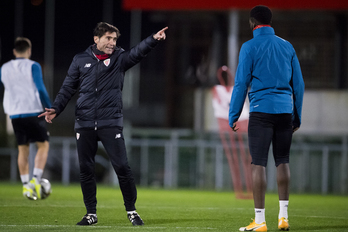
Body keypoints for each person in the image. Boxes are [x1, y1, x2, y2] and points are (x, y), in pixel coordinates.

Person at [39, 22, 168, 226]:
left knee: (122, 167)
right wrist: (56, 108)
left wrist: (152, 40)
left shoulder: (119, 58)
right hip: (85, 123)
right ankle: (91, 214)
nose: (112, 42)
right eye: (108, 38)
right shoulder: (80, 60)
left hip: (110, 122)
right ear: (96, 39)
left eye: (115, 39)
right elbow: (67, 88)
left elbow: (137, 53)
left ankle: (132, 211)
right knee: (86, 169)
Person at [228, 6, 304, 232]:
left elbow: (241, 83)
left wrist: (234, 114)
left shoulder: (249, 47)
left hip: (261, 111)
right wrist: (297, 116)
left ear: (252, 23)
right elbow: (298, 85)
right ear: (270, 22)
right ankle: (283, 217)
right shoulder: (287, 46)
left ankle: (260, 221)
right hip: (284, 111)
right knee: (283, 160)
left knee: (258, 163)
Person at [0, 37, 52, 200]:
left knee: (23, 149)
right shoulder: (33, 66)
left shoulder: (5, 68)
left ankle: (25, 186)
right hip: (33, 111)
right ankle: (36, 180)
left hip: (14, 114)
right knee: (43, 145)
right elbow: (41, 89)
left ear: (15, 52)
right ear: (29, 51)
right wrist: (49, 108)